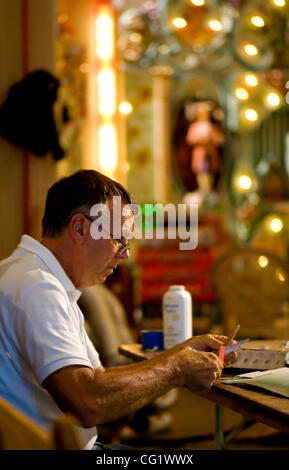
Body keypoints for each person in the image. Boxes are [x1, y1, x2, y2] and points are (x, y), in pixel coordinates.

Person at [0, 169, 234, 450]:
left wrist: (181, 353)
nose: (126, 253)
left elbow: (97, 382)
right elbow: (90, 402)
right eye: (119, 238)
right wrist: (176, 369)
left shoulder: (33, 276)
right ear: (80, 228)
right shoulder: (37, 287)